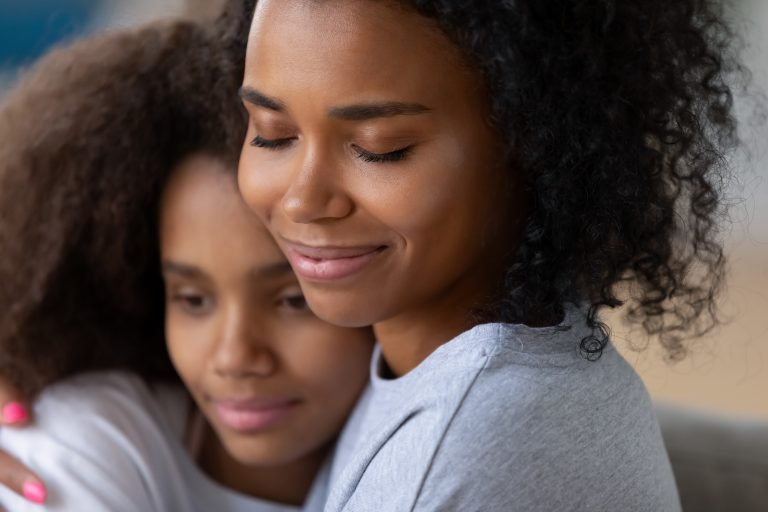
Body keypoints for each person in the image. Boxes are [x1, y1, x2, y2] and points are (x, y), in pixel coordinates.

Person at [234, 0, 741, 510]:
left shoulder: (475, 447)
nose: (302, 201)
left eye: (380, 148)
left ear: (533, 143)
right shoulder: (434, 357)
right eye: (272, 135)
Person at [0, 13, 372, 511]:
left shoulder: (441, 444)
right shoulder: (90, 436)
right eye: (193, 299)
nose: (234, 357)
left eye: (293, 300)